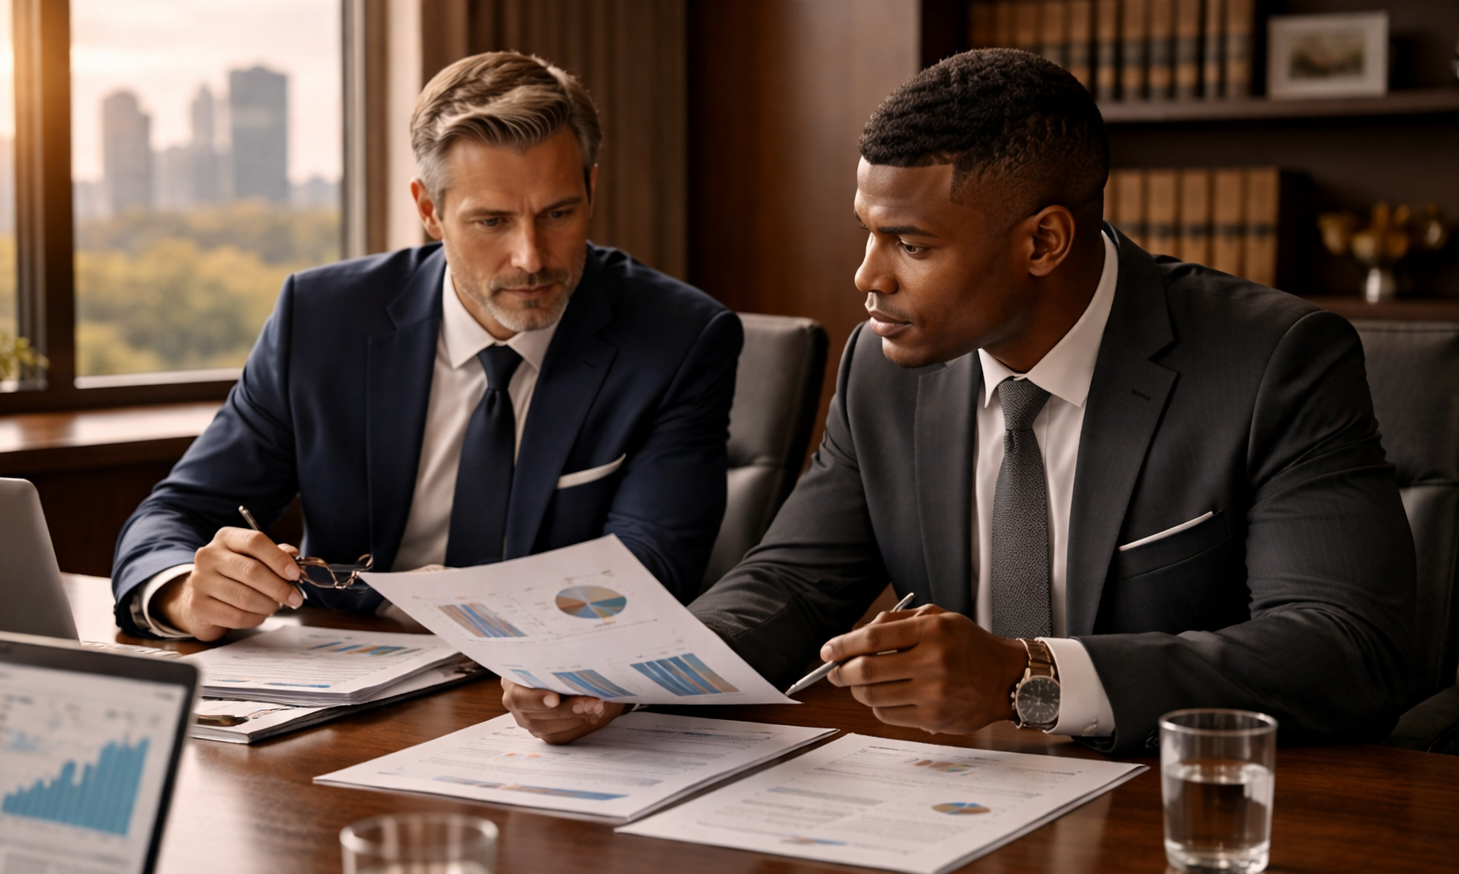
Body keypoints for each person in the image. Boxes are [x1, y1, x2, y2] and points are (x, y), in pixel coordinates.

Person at [502, 48, 1415, 754]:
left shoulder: (1274, 362)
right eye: (867, 233)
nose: (867, 277)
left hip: (1173, 805)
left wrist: (1030, 676)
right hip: (951, 800)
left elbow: (1344, 649)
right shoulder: (881, 367)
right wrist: (631, 673)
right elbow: (791, 583)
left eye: (911, 244)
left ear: (1045, 242)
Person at [113, 52, 742, 641]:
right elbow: (175, 515)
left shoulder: (678, 341)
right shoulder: (322, 320)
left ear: (591, 191)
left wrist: (491, 618)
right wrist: (183, 593)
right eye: (491, 221)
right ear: (429, 210)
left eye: (558, 214)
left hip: (548, 684)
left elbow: (647, 574)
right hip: (352, 668)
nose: (531, 257)